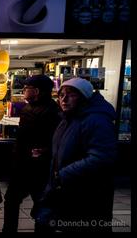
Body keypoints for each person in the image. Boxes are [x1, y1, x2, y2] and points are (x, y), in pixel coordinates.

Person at [35, 77, 117, 232]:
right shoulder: (68, 118)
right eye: (61, 95)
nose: (64, 99)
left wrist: (63, 174)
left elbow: (101, 157)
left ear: (83, 97)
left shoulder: (96, 120)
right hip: (67, 190)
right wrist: (47, 154)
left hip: (87, 195)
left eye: (71, 94)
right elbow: (70, 147)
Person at [2, 74, 60, 233]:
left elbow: (56, 140)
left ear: (37, 91)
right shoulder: (28, 107)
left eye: (27, 88)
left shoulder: (52, 111)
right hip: (22, 165)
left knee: (41, 204)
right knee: (12, 200)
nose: (24, 91)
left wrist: (45, 152)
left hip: (39, 168)